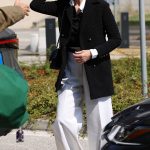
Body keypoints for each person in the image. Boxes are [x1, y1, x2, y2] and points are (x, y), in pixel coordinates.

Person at [30, 0, 121, 149]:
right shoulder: (63, 5)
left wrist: (92, 53)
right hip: (70, 68)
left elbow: (116, 39)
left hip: (95, 67)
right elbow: (36, 4)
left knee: (100, 122)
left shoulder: (100, 6)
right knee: (62, 120)